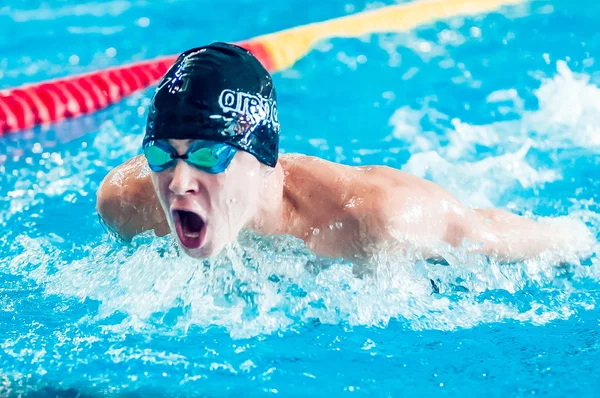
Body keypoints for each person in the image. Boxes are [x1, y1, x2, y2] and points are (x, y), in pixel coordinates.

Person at [96, 42, 593, 264]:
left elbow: (512, 239)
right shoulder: (127, 204)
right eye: (163, 155)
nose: (178, 182)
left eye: (207, 155)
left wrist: (576, 241)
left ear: (261, 155)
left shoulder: (378, 220)